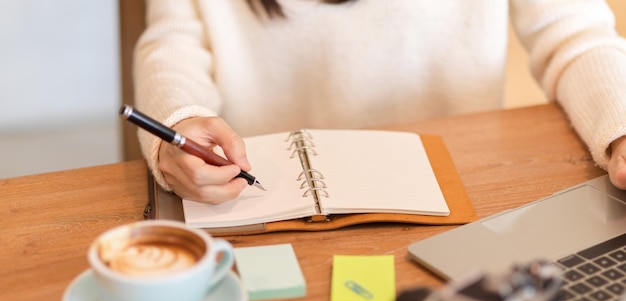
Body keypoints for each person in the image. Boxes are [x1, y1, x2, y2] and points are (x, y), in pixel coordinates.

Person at [134, 0, 626, 204]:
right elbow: (172, 42)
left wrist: (620, 126)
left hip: (460, 198)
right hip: (267, 204)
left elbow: (577, 36)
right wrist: (179, 121)